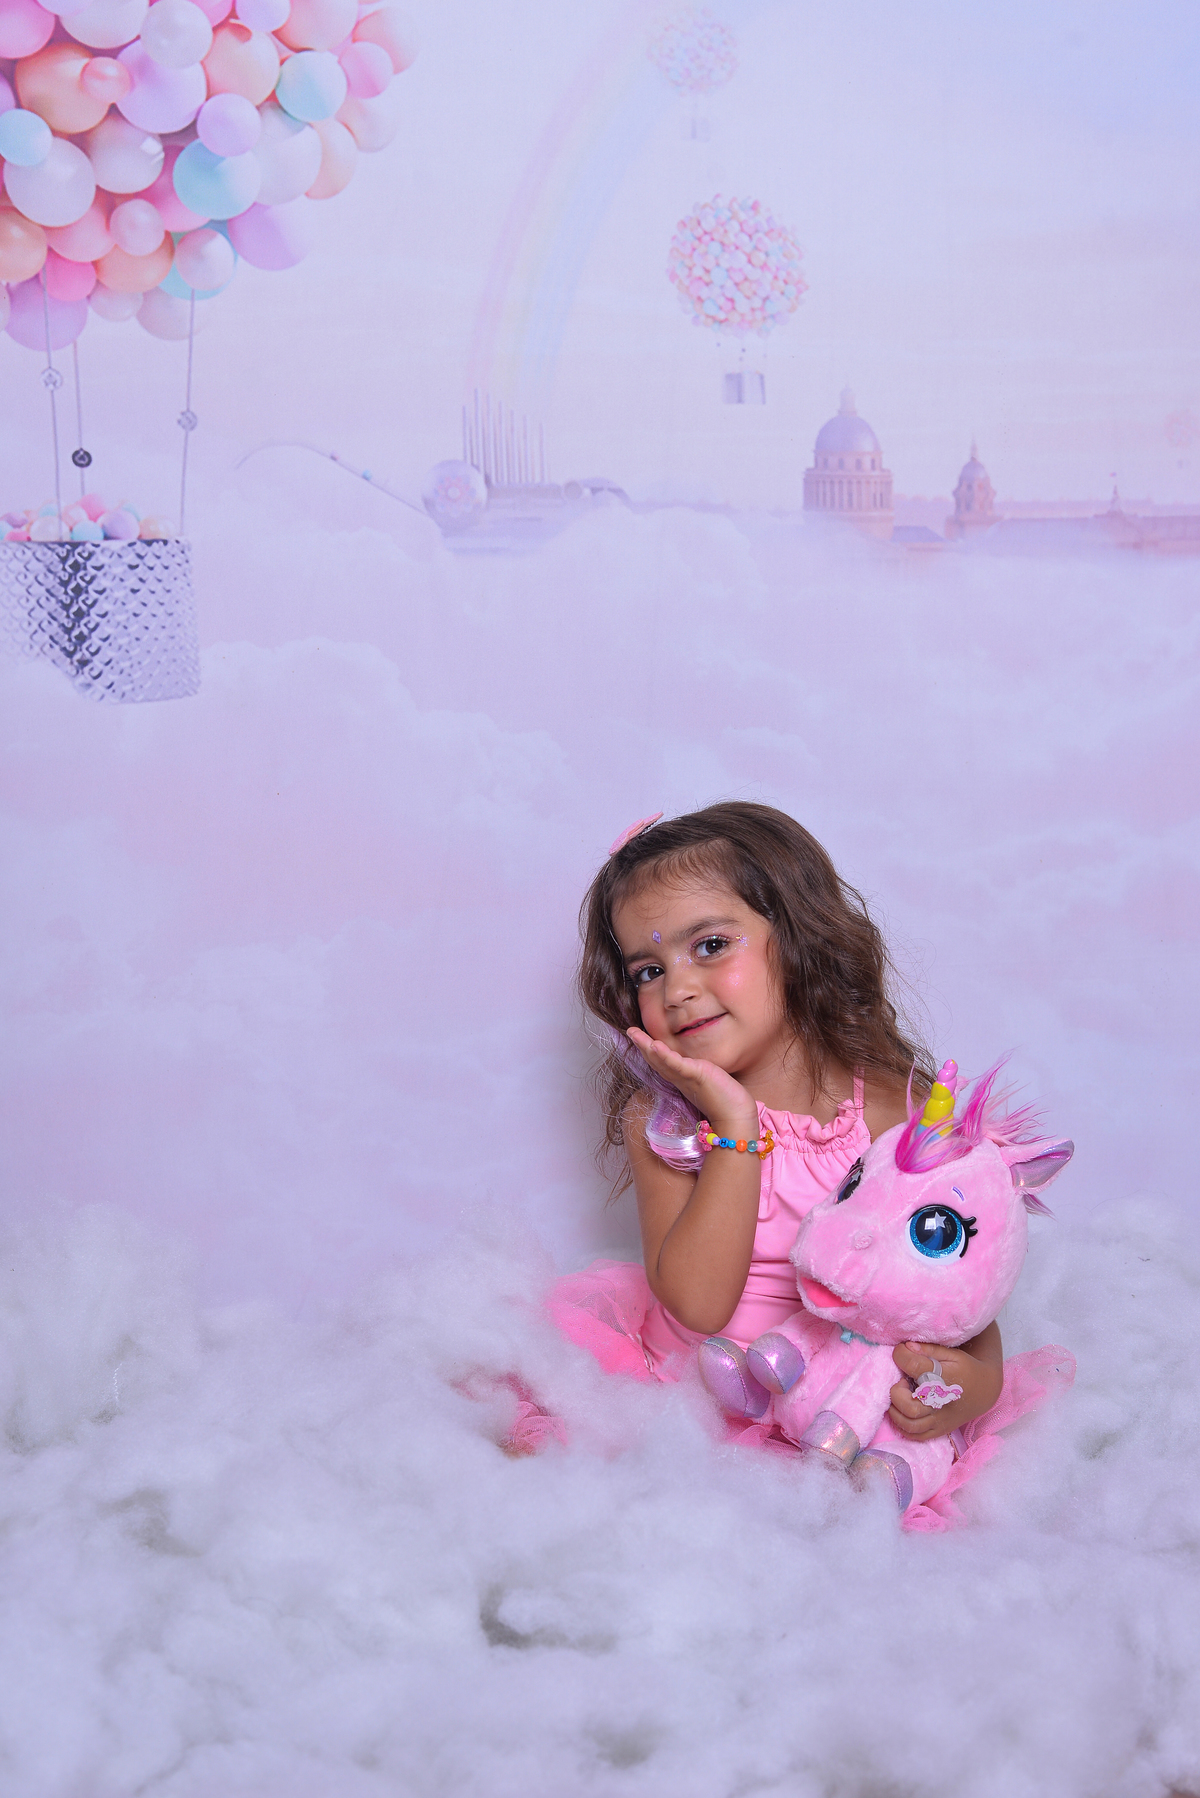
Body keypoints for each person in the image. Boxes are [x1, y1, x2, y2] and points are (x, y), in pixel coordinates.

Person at [566, 801, 1005, 1451]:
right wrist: (734, 1128)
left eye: (710, 946)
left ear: (798, 937)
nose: (676, 989)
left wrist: (982, 1380)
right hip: (687, 1405)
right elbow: (699, 1305)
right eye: (649, 972)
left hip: (831, 1406)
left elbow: (952, 1282)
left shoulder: (895, 1111)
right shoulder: (667, 1120)